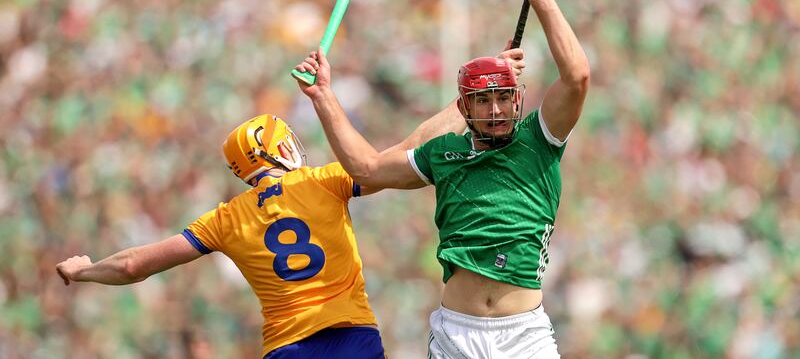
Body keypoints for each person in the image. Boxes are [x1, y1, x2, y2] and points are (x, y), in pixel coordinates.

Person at [56, 52, 525, 358]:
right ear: (280, 149)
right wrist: (468, 106)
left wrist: (85, 270)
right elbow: (405, 150)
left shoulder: (224, 219)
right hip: (352, 338)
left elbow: (136, 264)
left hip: (285, 349)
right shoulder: (325, 181)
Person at [293, 0, 590, 358]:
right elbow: (367, 168)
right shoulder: (443, 154)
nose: (496, 108)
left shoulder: (539, 140)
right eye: (483, 100)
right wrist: (323, 96)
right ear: (464, 107)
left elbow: (576, 77)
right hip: (456, 334)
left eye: (504, 97)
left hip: (525, 334)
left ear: (518, 98)